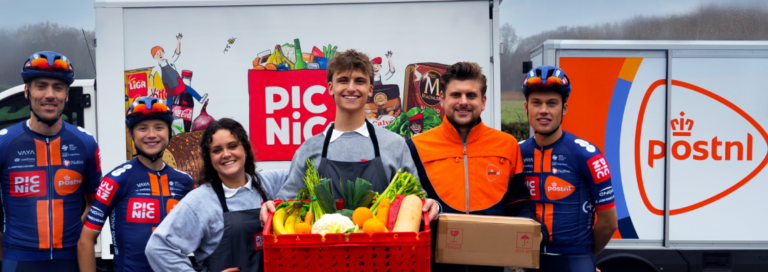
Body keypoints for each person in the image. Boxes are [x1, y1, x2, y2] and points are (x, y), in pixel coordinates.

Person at [262, 49, 439, 223]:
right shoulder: (308, 149)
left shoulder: (394, 145)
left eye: (359, 81)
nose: (351, 88)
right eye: (343, 80)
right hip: (320, 250)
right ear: (331, 88)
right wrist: (272, 207)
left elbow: (416, 202)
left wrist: (430, 205)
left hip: (384, 250)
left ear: (370, 90)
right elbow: (287, 204)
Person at [406, 62, 543, 272]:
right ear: (442, 100)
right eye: (455, 95)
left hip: (493, 265)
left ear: (483, 101)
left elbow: (518, 202)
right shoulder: (415, 146)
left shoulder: (507, 145)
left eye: (471, 95)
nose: (463, 102)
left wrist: (533, 229)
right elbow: (409, 206)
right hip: (435, 265)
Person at [0, 51, 102, 272]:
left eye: (58, 87)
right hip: (18, 259)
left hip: (71, 258)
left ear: (66, 94)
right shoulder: (4, 143)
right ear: (27, 91)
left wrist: (78, 235)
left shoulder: (86, 143)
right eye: (41, 86)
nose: (50, 94)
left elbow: (95, 203)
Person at [145, 118, 288, 272]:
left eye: (232, 146)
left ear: (245, 149)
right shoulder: (200, 201)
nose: (226, 154)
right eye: (217, 150)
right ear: (210, 158)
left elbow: (310, 171)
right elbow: (158, 248)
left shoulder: (271, 182)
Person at [77, 97, 194, 272]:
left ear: (170, 132)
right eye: (142, 128)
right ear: (131, 134)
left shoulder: (185, 181)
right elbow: (86, 239)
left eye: (159, 127)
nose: (151, 134)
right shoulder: (116, 180)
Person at [519, 66, 618, 272]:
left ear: (564, 109)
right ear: (526, 108)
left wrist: (586, 257)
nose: (543, 110)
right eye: (536, 103)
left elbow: (609, 222)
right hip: (528, 260)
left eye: (552, 103)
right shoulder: (516, 153)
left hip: (574, 260)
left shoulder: (586, 154)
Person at [148, 33, 208, 106]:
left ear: (163, 52)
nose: (159, 55)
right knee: (169, 98)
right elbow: (151, 75)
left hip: (177, 81)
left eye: (160, 52)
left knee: (188, 89)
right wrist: (152, 88)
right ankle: (169, 113)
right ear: (154, 57)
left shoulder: (170, 61)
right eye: (157, 54)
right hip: (168, 85)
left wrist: (178, 41)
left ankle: (200, 99)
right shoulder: (157, 67)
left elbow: (177, 53)